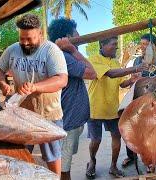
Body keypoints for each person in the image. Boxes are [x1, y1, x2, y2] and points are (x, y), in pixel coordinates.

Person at [0, 14, 68, 175]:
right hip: (20, 114)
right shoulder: (13, 49)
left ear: (40, 34)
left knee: (52, 156)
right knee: (19, 155)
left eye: (30, 39)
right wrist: (3, 84)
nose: (25, 43)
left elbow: (62, 80)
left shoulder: (51, 51)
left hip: (48, 115)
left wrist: (35, 87)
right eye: (22, 38)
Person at [85, 37, 148, 179]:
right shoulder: (93, 59)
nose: (116, 48)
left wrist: (131, 80)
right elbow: (111, 73)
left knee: (117, 137)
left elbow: (121, 83)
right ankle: (92, 162)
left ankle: (113, 166)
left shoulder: (115, 62)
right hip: (95, 107)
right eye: (113, 45)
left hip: (113, 108)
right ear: (102, 44)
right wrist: (136, 67)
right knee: (96, 140)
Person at [48, 18, 96, 180]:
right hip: (67, 125)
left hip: (69, 122)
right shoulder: (65, 57)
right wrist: (73, 50)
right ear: (68, 36)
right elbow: (92, 73)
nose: (80, 36)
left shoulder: (62, 55)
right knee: (63, 170)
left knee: (63, 164)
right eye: (76, 33)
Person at [122, 33, 156, 168]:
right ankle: (131, 157)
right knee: (131, 130)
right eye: (141, 44)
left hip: (152, 103)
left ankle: (150, 161)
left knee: (150, 133)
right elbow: (132, 79)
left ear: (153, 46)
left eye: (145, 44)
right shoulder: (137, 61)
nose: (142, 47)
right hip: (136, 100)